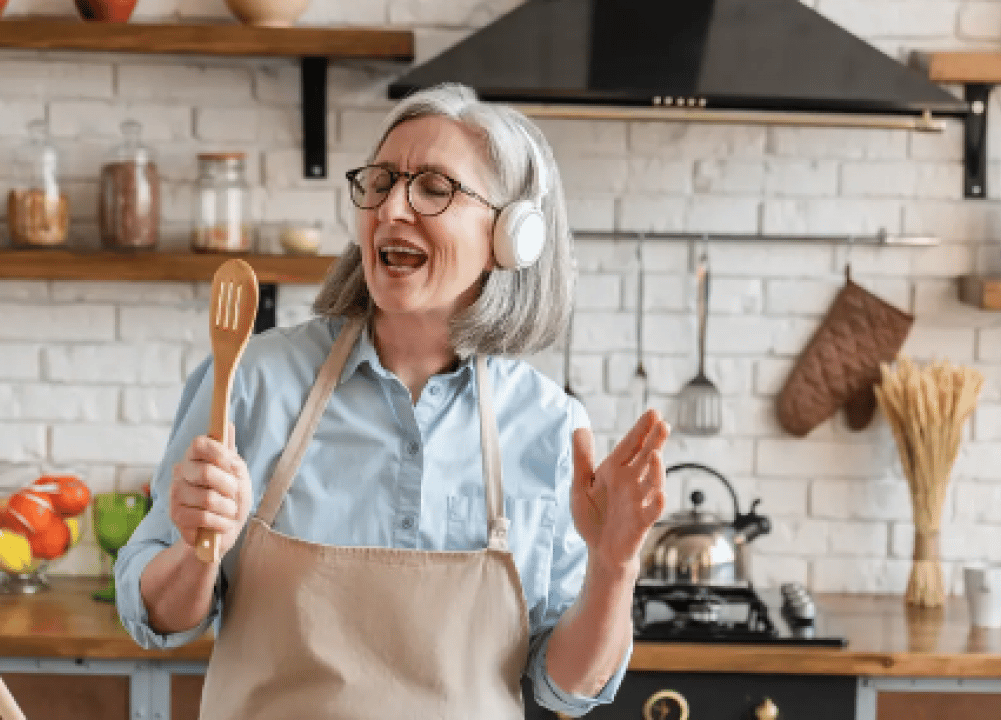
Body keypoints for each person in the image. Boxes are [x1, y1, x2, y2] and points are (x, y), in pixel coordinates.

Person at [115, 82, 670, 719]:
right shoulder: (256, 380)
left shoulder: (547, 425)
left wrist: (614, 563)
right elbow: (156, 618)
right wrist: (195, 548)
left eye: (435, 188)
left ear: (512, 236)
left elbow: (565, 688)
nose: (392, 209)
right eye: (380, 182)